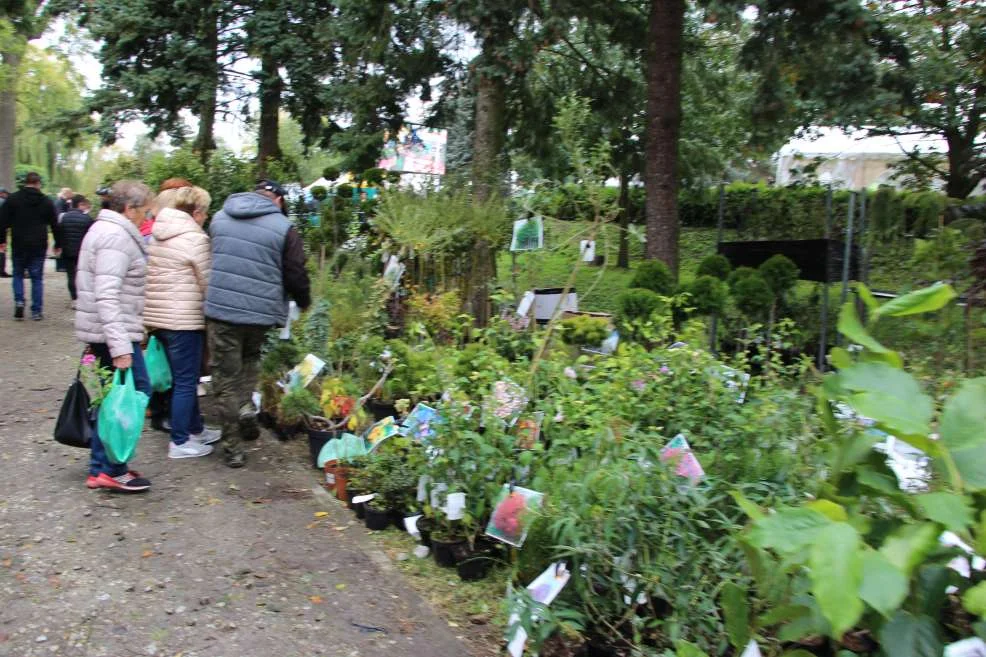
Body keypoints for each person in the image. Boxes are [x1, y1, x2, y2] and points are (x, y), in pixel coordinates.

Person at [205, 180, 311, 468]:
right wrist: (303, 300)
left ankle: (233, 448)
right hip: (259, 314)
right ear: (277, 200)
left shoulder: (219, 217)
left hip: (222, 311)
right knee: (250, 360)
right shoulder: (284, 227)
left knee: (224, 378)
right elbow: (295, 271)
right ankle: (245, 406)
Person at [75, 180, 155, 492]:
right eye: (143, 211)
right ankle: (111, 467)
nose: (145, 218)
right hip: (113, 334)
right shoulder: (115, 237)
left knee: (107, 398)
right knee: (130, 396)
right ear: (129, 208)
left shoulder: (105, 230)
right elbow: (107, 296)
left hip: (105, 332)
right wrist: (121, 347)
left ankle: (102, 467)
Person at [144, 185, 221, 459]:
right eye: (206, 213)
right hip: (184, 319)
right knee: (186, 381)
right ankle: (179, 441)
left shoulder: (159, 234)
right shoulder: (194, 238)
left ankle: (196, 429)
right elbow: (207, 282)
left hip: (160, 318)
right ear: (197, 212)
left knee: (181, 379)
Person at [0, 172, 60, 320]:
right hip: (38, 243)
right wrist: (58, 243)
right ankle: (36, 311)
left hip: (19, 242)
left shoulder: (13, 199)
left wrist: (2, 241)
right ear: (38, 184)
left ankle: (19, 301)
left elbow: (2, 222)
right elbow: (55, 224)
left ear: (25, 182)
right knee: (37, 278)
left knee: (18, 274)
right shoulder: (46, 201)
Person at [57, 195, 94, 308]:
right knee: (82, 275)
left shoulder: (64, 217)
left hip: (68, 251)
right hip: (82, 252)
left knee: (71, 275)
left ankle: (74, 299)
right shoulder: (87, 219)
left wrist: (59, 246)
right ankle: (83, 298)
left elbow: (60, 233)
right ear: (80, 204)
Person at [0, 188, 9, 277]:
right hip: (1, 228)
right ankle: (1, 271)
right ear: (2, 193)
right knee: (2, 249)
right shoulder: (4, 202)